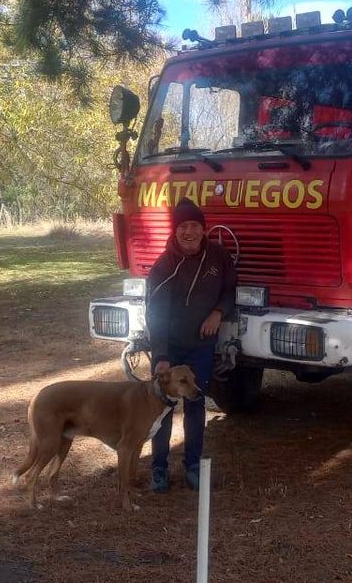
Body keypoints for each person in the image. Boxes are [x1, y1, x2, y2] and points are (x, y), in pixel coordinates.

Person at [144, 198, 236, 491]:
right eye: (182, 226)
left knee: (196, 405)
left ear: (203, 228)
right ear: (175, 231)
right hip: (169, 347)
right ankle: (159, 468)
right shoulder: (163, 267)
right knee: (162, 409)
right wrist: (160, 356)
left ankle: (193, 465)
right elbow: (155, 314)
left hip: (201, 345)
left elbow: (230, 289)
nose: (189, 232)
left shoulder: (219, 256)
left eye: (194, 225)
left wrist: (217, 313)